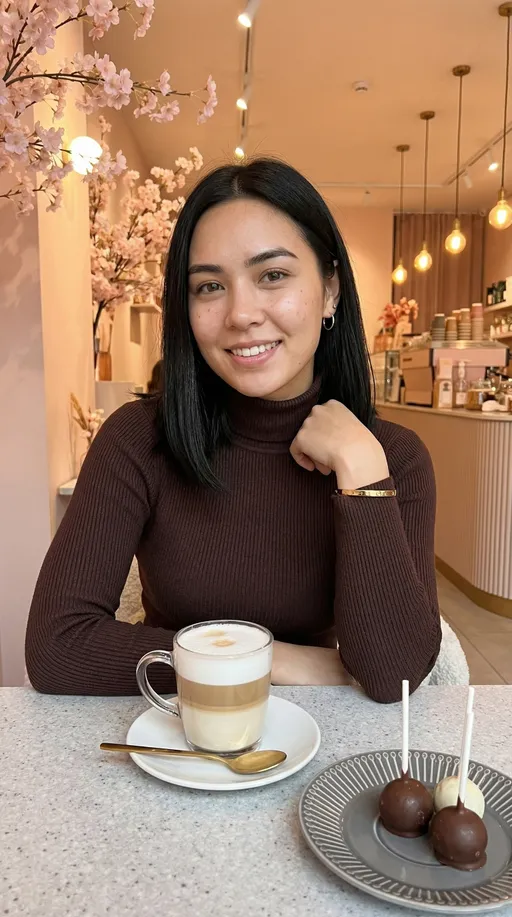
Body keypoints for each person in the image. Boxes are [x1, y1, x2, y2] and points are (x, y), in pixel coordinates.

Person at [26, 158, 441, 703]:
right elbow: (57, 649)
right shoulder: (138, 439)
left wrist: (362, 472)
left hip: (328, 755)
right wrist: (280, 662)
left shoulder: (392, 457)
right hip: (175, 747)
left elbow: (397, 676)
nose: (241, 314)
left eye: (273, 275)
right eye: (209, 286)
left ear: (331, 290)